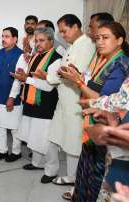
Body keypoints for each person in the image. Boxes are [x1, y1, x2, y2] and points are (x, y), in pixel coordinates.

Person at [60, 21, 129, 202]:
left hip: (113, 131)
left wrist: (79, 83)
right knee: (89, 173)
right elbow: (108, 96)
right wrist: (80, 80)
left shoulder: (121, 64)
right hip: (100, 123)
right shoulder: (106, 59)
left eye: (105, 38)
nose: (99, 42)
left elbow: (112, 101)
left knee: (100, 178)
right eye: (97, 38)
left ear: (120, 40)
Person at [43, 14, 95, 190]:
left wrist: (54, 75)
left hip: (75, 101)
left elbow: (71, 73)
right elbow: (62, 72)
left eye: (64, 31)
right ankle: (54, 170)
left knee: (73, 141)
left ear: (75, 27)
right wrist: (57, 74)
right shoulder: (73, 46)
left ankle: (73, 177)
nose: (62, 35)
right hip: (64, 99)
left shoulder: (86, 45)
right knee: (56, 136)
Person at [11, 27, 62, 183]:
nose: (38, 44)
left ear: (51, 41)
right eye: (36, 41)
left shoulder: (56, 59)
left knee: (46, 141)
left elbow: (48, 86)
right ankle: (37, 163)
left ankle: (51, 170)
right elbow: (30, 76)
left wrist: (26, 79)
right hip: (31, 103)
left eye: (42, 41)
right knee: (33, 137)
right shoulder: (35, 55)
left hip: (46, 105)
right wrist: (22, 75)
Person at [0, 27, 26, 161]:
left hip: (11, 97)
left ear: (15, 39)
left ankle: (16, 152)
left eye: (7, 36)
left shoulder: (21, 55)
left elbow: (18, 79)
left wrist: (11, 97)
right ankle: (2, 150)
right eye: (2, 36)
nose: (3, 39)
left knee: (14, 127)